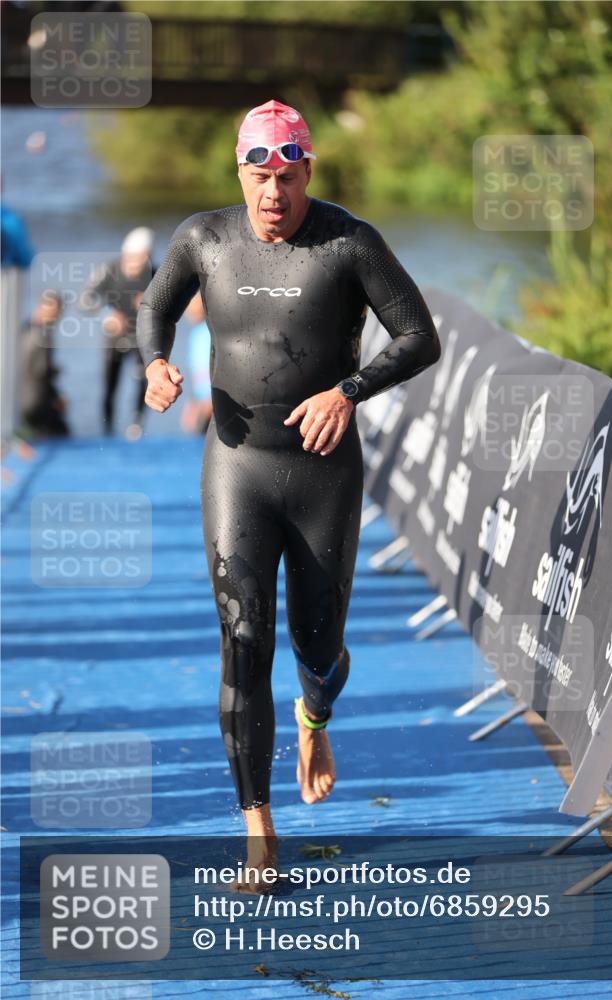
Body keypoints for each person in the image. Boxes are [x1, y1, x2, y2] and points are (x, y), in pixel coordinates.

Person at [136, 99, 441, 889]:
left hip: (322, 471)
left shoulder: (347, 241)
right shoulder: (204, 238)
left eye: (287, 175)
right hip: (235, 464)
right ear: (239, 172)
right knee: (243, 645)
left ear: (307, 170)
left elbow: (418, 336)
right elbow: (154, 307)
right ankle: (257, 832)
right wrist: (154, 364)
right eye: (258, 174)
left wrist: (348, 389)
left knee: (315, 644)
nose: (272, 192)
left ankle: (315, 717)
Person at [80, 226, 155, 440]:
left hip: (143, 337)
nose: (139, 264)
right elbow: (84, 300)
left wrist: (152, 303)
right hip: (114, 336)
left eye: (144, 258)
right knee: (110, 383)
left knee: (144, 379)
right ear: (125, 254)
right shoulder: (108, 270)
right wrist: (107, 314)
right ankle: (107, 429)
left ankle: (136, 426)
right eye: (135, 258)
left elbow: (172, 301)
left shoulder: (155, 273)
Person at [18, 290, 69, 440]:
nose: (56, 316)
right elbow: (40, 372)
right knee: (61, 433)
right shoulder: (41, 336)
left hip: (19, 397)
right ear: (41, 308)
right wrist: (56, 396)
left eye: (59, 312)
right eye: (54, 311)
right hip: (35, 401)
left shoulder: (24, 329)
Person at [179, 292, 212, 435]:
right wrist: (193, 400)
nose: (188, 311)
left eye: (194, 305)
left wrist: (210, 401)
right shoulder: (196, 334)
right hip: (201, 400)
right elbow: (197, 374)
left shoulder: (211, 333)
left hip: (214, 401)